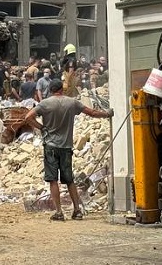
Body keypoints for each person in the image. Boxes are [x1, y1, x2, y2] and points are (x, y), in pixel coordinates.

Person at [21, 79, 114, 221]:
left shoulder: (45, 104)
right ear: (61, 89)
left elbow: (28, 117)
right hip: (66, 147)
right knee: (69, 180)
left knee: (53, 180)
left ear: (50, 90)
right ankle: (77, 210)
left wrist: (41, 128)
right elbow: (92, 113)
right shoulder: (72, 103)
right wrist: (107, 114)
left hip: (50, 147)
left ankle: (59, 212)